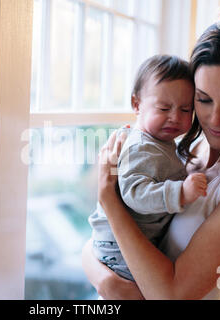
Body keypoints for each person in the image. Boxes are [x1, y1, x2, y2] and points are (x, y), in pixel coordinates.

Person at [82, 19, 220, 300]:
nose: (215, 119)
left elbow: (171, 296)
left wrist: (109, 200)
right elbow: (96, 245)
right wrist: (106, 281)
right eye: (203, 100)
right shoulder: (191, 147)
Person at [88, 55, 207, 281]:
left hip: (126, 242)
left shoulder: (160, 142)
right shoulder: (140, 148)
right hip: (117, 248)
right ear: (136, 105)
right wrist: (180, 192)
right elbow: (136, 194)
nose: (175, 117)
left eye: (185, 109)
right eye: (164, 108)